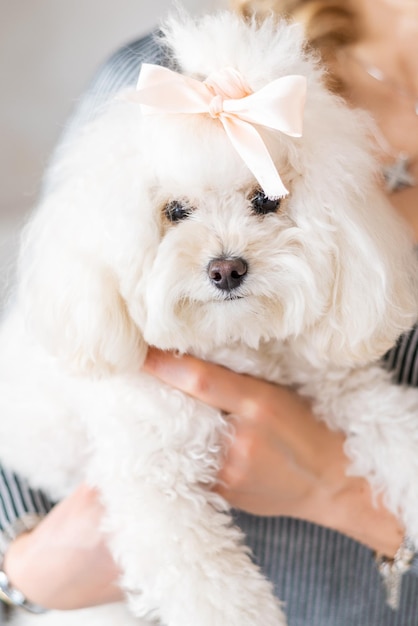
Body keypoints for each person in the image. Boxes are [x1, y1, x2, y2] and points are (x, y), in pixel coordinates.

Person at [2, 0, 418, 623]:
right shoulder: (150, 78)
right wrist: (27, 575)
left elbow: (380, 419)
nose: (226, 258)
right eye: (177, 213)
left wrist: (339, 491)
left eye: (263, 202)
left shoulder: (325, 315)